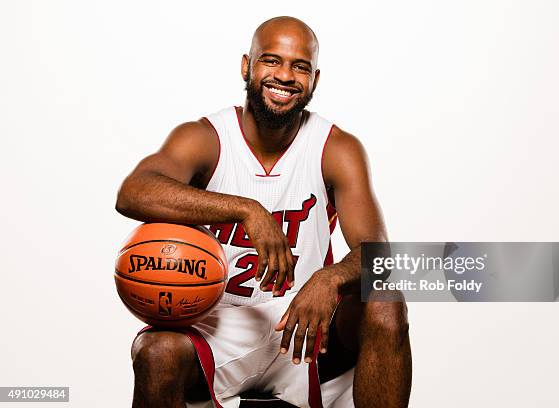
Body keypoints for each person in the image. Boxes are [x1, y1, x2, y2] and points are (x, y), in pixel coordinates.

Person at [116, 16, 412, 408]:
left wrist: (329, 279)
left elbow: (380, 256)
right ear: (247, 66)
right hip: (217, 327)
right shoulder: (206, 138)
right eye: (271, 61)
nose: (285, 76)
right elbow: (133, 192)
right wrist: (245, 210)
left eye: (299, 66)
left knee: (386, 297)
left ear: (315, 80)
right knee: (156, 353)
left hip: (307, 327)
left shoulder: (336, 148)